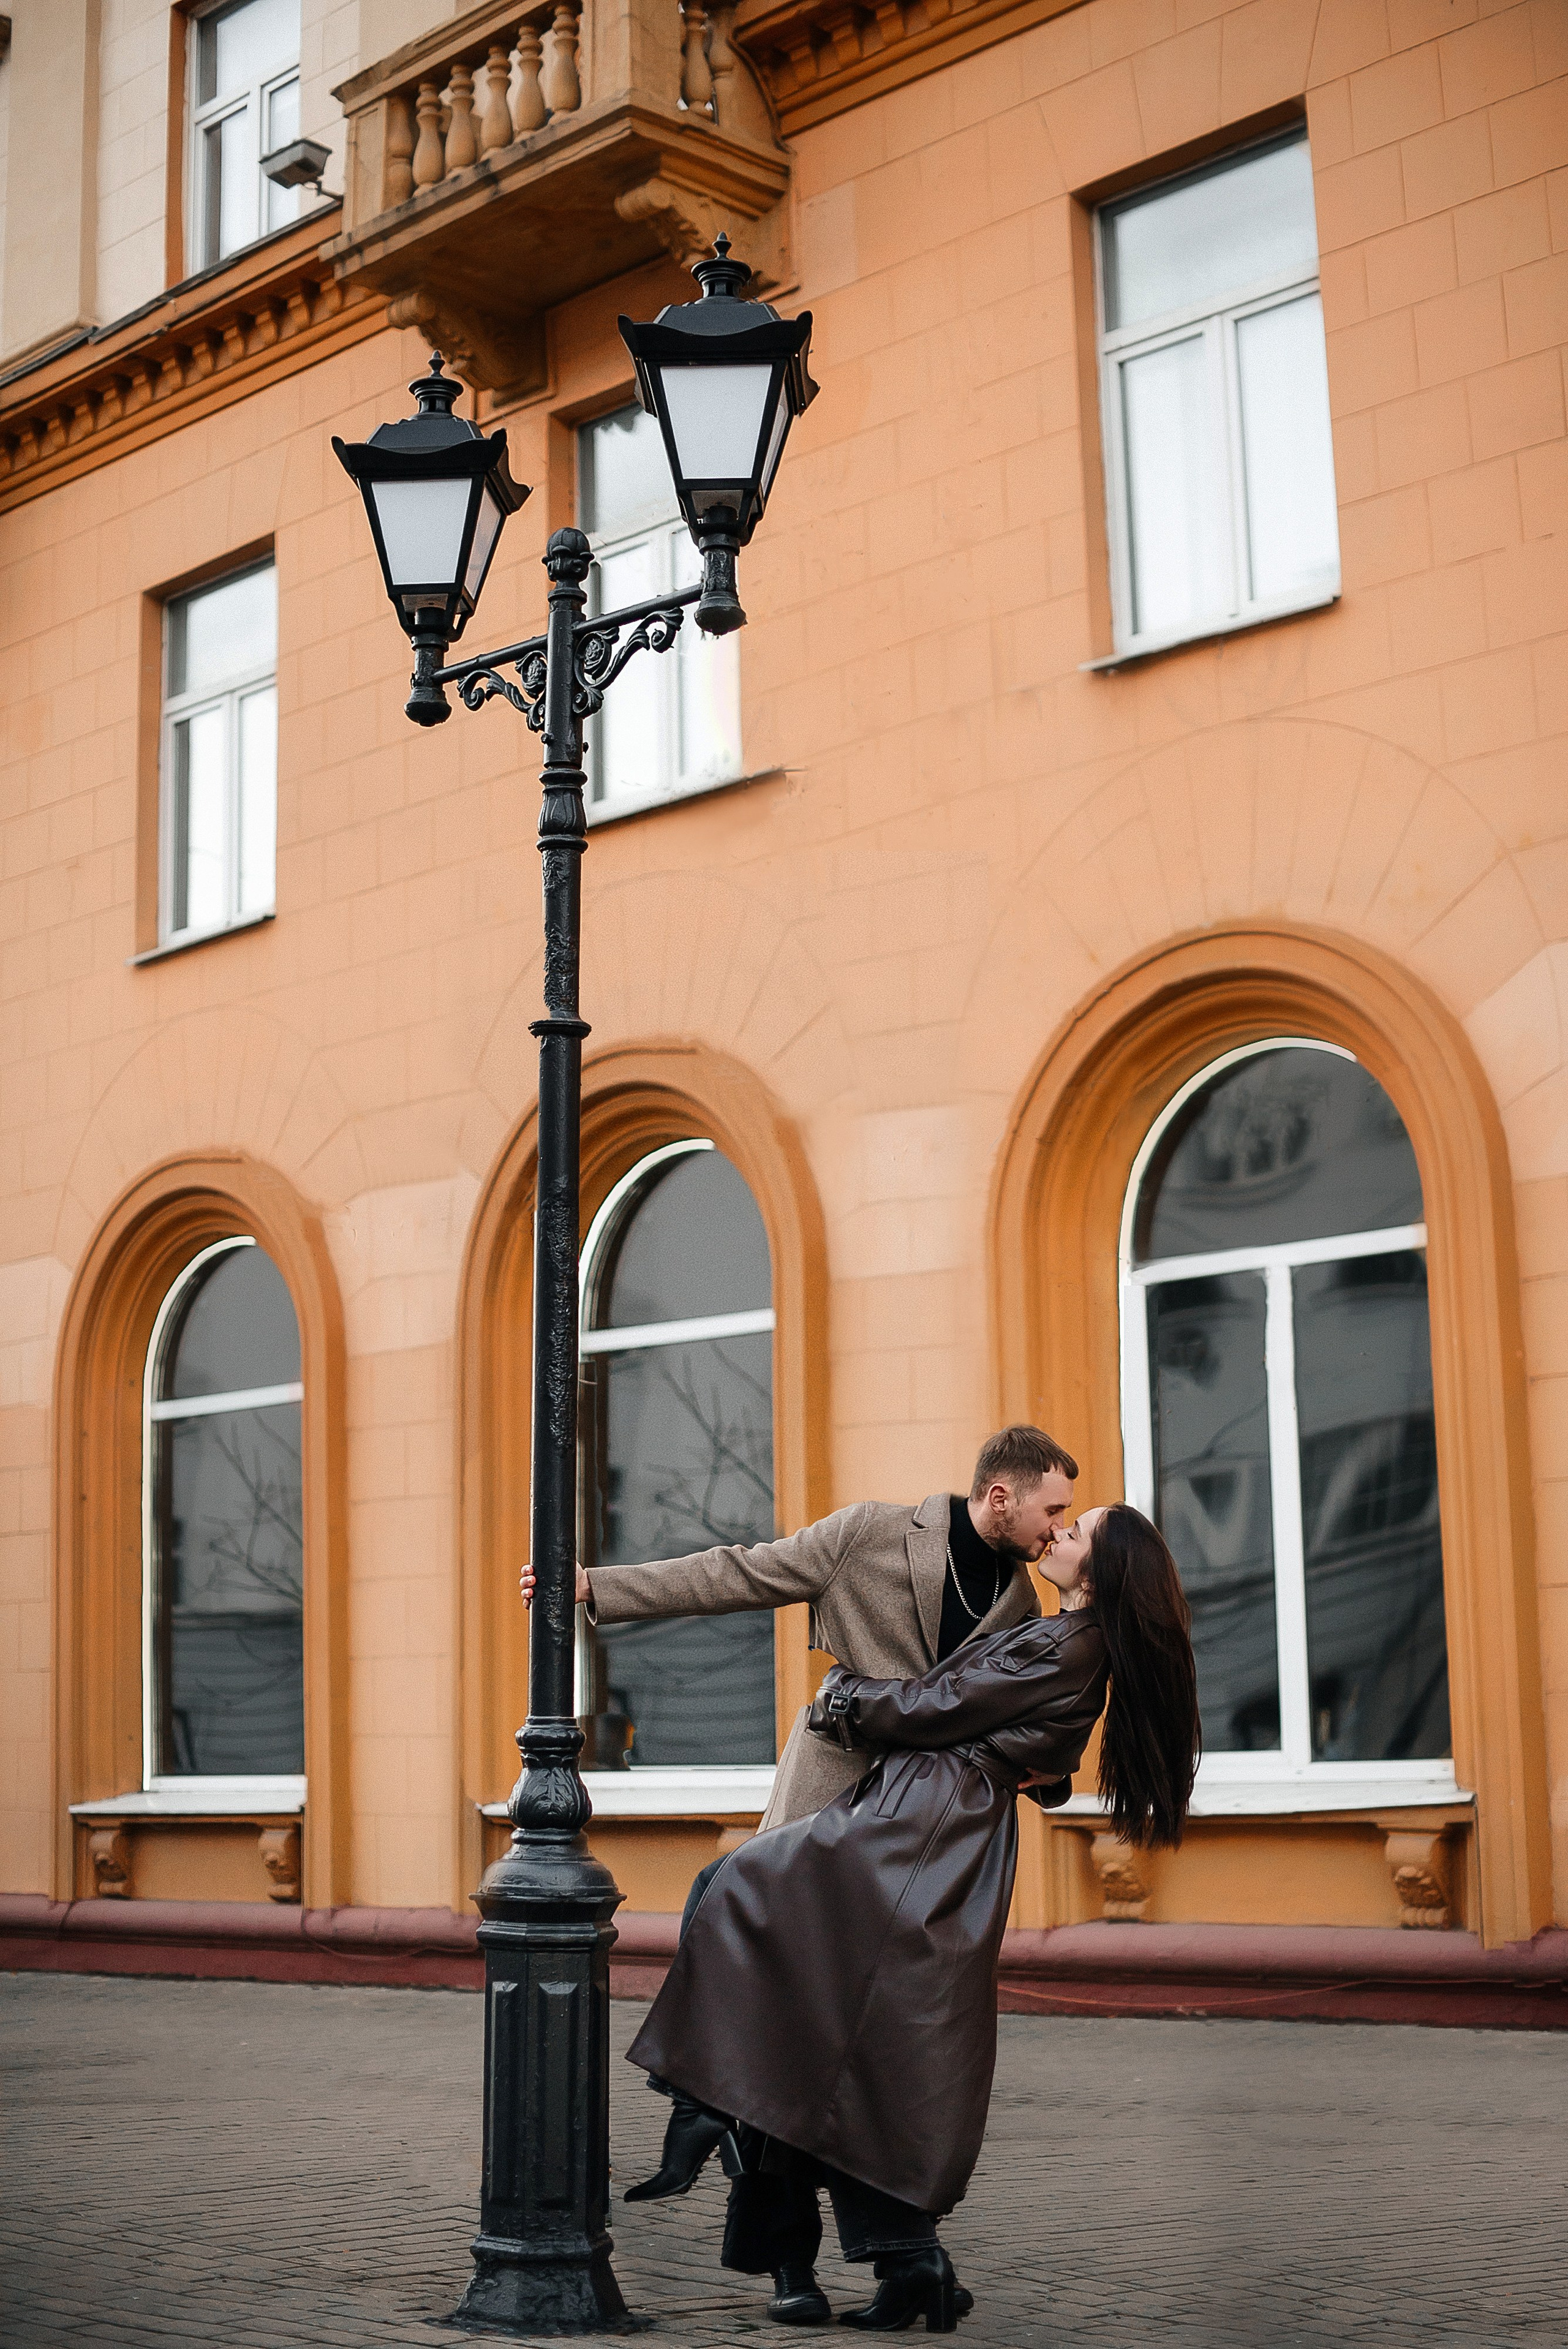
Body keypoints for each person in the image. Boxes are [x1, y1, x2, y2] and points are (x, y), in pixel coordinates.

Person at [518, 1425, 1082, 2319]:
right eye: (1053, 1508)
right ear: (1001, 1496)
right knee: (782, 2028)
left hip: (918, 1854)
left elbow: (1010, 1721)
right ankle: (796, 2270)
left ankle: (893, 2253)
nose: (1063, 1527)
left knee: (869, 2053)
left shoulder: (1024, 1603)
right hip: (829, 1803)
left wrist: (1048, 1782)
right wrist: (596, 1588)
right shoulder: (871, 1534)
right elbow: (741, 1571)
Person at [625, 1504, 1200, 2331]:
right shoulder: (1054, 1632)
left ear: (1103, 1573)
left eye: (1077, 1531)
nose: (1059, 1533)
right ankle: (890, 2261)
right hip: (927, 1826)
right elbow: (1018, 1727)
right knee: (829, 2020)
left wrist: (843, 1695)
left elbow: (940, 1702)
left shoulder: (1065, 1643)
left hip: (915, 1834)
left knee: (741, 1898)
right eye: (1061, 1518)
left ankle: (701, 2103)